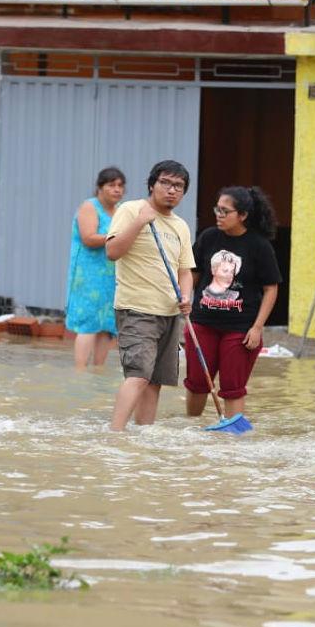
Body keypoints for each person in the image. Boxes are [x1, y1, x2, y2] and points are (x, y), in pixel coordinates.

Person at [105, 160, 196, 432]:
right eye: (166, 183)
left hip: (169, 311)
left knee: (155, 380)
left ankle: (144, 434)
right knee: (138, 375)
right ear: (152, 185)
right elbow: (112, 252)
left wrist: (187, 296)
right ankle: (115, 433)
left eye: (178, 186)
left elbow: (185, 271)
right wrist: (140, 222)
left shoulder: (180, 226)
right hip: (136, 308)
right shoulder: (130, 210)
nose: (172, 190)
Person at [185, 186, 282, 421]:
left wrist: (257, 327)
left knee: (232, 385)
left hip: (240, 329)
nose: (218, 214)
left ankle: (232, 440)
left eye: (225, 211)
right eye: (217, 209)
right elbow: (193, 274)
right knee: (197, 382)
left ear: (243, 215)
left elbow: (271, 288)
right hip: (202, 323)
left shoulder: (259, 246)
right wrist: (185, 296)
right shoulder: (208, 237)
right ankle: (191, 430)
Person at [66, 167, 125, 369]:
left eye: (120, 185)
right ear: (100, 188)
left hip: (113, 275)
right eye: (111, 185)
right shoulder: (89, 207)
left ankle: (98, 371)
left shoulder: (121, 211)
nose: (117, 190)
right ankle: (80, 372)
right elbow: (89, 238)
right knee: (88, 324)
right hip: (88, 274)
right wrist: (118, 238)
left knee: (106, 326)